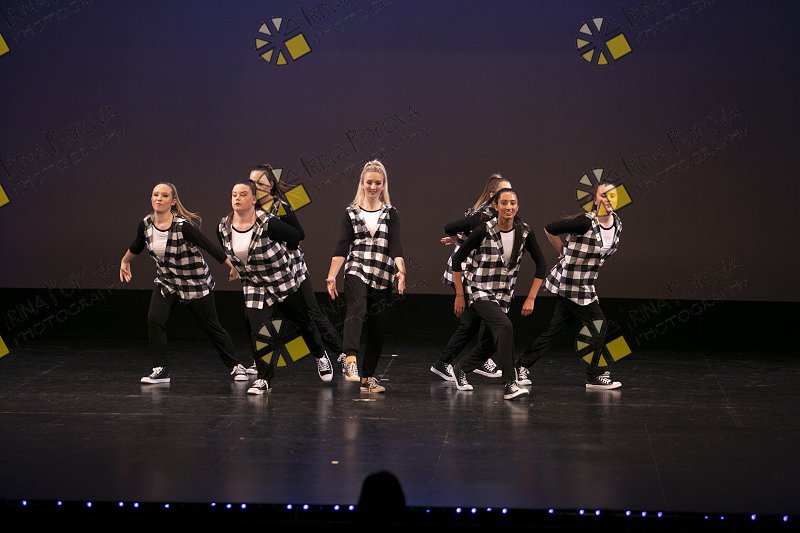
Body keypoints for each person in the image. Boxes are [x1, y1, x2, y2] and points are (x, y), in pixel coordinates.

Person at [119, 182, 250, 384]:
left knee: (211, 326)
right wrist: (125, 261)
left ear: (173, 201)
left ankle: (236, 365)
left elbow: (208, 246)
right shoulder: (145, 224)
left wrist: (231, 266)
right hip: (168, 281)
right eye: (155, 194)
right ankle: (161, 369)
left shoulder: (182, 227)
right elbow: (137, 244)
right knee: (154, 319)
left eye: (164, 196)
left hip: (194, 282)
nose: (159, 198)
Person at [218, 180, 335, 394]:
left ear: (254, 199)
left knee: (303, 322)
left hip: (281, 281)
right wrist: (235, 267)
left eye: (243, 194)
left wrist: (287, 254)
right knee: (259, 332)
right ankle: (264, 379)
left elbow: (296, 236)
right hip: (255, 284)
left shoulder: (268, 222)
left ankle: (319, 354)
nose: (237, 198)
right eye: (234, 194)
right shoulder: (223, 226)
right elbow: (227, 249)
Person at [515, 177, 623, 390]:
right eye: (603, 195)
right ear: (595, 200)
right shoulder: (585, 222)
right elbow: (550, 228)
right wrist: (563, 251)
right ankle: (594, 374)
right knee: (599, 325)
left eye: (612, 195)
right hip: (571, 284)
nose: (608, 199)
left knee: (555, 330)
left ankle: (521, 365)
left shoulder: (617, 223)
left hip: (585, 284)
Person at [449, 188, 548, 400]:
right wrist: (459, 295)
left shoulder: (525, 232)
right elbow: (457, 260)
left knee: (491, 342)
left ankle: (461, 369)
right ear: (496, 206)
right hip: (479, 289)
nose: (508, 207)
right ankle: (510, 383)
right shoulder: (483, 230)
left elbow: (541, 264)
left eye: (512, 203)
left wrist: (531, 298)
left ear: (517, 206)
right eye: (504, 203)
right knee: (505, 326)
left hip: (503, 295)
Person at [248, 164, 344, 361]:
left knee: (313, 311)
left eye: (260, 183)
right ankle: (318, 355)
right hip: (269, 275)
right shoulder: (250, 208)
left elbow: (299, 234)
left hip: (294, 271)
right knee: (295, 319)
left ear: (270, 186)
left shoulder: (280, 207)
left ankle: (343, 355)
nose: (255, 187)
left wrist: (287, 250)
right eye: (252, 183)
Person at [326, 160, 406, 393]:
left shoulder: (391, 214)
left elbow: (395, 244)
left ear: (383, 185)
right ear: (362, 183)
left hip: (382, 273)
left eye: (377, 183)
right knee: (357, 308)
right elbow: (342, 245)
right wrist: (332, 275)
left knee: (378, 330)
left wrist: (401, 270)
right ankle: (350, 359)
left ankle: (367, 377)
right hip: (357, 268)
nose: (373, 186)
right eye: (369, 182)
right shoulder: (351, 212)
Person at [430, 173, 511, 382]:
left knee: (480, 318)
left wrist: (459, 239)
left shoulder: (494, 214)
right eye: (504, 192)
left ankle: (475, 359)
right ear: (493, 196)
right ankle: (445, 362)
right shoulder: (484, 215)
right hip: (464, 272)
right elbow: (452, 228)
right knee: (473, 321)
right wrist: (459, 240)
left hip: (478, 273)